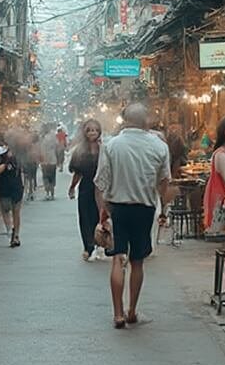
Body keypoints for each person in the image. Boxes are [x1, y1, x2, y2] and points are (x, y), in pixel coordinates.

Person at [94, 104, 172, 329]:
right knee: (137, 261)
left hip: (118, 207)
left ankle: (117, 313)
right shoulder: (159, 146)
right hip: (144, 208)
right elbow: (164, 180)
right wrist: (162, 206)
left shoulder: (111, 145)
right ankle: (132, 310)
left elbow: (100, 181)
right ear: (146, 121)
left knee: (118, 258)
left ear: (124, 121)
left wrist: (103, 209)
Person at [69, 119, 102, 261]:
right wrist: (72, 187)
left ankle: (99, 243)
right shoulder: (80, 150)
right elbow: (78, 172)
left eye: (95, 130)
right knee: (85, 217)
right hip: (86, 186)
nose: (92, 133)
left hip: (101, 187)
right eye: (89, 130)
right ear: (85, 132)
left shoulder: (105, 148)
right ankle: (88, 247)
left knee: (98, 215)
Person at [0, 146, 24, 247]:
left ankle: (11, 231)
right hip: (16, 187)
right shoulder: (19, 156)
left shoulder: (2, 157)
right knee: (15, 212)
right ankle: (15, 235)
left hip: (5, 188)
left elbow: (0, 168)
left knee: (6, 211)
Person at [39, 126, 59, 200]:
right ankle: (52, 194)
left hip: (44, 161)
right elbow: (57, 146)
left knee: (45, 177)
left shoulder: (41, 138)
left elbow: (39, 149)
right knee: (52, 177)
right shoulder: (53, 137)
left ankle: (47, 194)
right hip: (52, 160)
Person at [22, 131, 40, 201]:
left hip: (28, 163)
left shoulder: (25, 146)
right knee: (31, 178)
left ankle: (29, 192)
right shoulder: (34, 146)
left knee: (28, 178)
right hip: (31, 163)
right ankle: (31, 191)